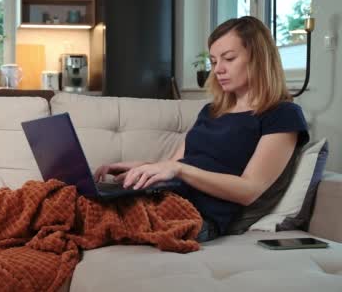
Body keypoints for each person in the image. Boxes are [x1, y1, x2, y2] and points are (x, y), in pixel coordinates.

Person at [94, 16, 309, 242]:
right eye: (214, 61)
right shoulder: (211, 111)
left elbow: (249, 190)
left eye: (229, 58)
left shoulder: (282, 114)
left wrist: (178, 171)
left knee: (82, 215)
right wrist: (138, 169)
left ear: (258, 58)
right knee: (70, 196)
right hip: (164, 197)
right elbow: (176, 165)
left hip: (196, 216)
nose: (218, 70)